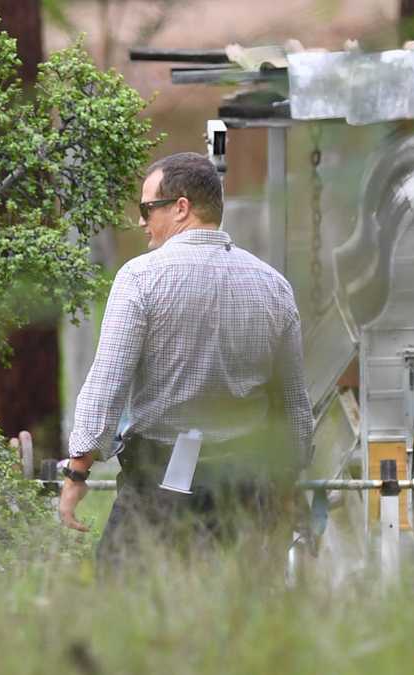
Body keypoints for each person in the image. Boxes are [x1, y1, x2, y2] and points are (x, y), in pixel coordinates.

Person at [58, 152, 314, 566]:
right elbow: (293, 401)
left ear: (181, 208)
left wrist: (78, 471)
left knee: (130, 602)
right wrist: (290, 472)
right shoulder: (274, 286)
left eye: (147, 209)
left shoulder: (140, 278)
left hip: (160, 482)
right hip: (246, 485)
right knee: (237, 608)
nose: (141, 221)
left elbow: (108, 382)